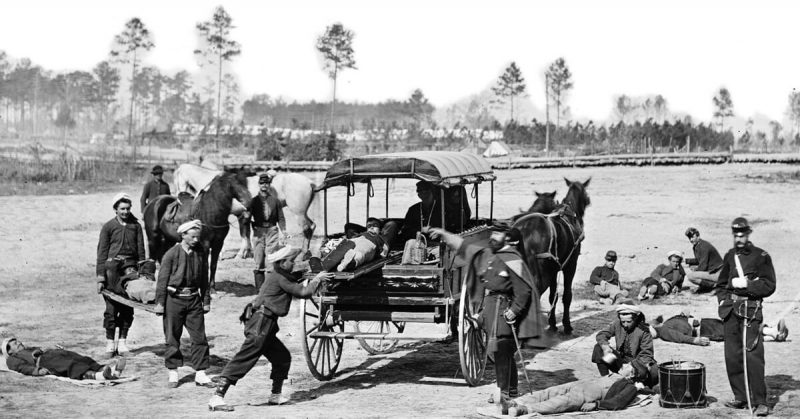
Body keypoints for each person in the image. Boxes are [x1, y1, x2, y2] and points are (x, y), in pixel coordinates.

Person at [430, 225, 543, 409]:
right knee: (503, 352)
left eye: (497, 234)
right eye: (493, 232)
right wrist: (444, 234)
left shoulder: (513, 259)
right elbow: (465, 247)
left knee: (500, 349)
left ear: (507, 238)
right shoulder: (491, 254)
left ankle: (503, 393)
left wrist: (514, 311)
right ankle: (511, 389)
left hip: (504, 308)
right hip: (491, 307)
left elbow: (524, 291)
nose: (493, 236)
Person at [208, 247, 334, 411]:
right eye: (291, 261)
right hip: (261, 323)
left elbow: (294, 276)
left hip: (265, 322)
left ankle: (275, 395)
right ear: (282, 263)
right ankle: (217, 397)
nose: (293, 264)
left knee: (282, 357)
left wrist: (310, 267)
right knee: (244, 359)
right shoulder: (279, 277)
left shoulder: (278, 274)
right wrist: (317, 279)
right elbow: (303, 292)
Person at [715, 217, 776, 416]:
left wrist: (747, 285)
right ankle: (740, 397)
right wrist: (723, 301)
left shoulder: (761, 256)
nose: (739, 238)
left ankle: (760, 402)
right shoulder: (730, 256)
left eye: (742, 235)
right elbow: (722, 284)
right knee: (732, 356)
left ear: (748, 234)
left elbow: (769, 285)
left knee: (753, 357)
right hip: (731, 311)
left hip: (750, 311)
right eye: (736, 235)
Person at [153, 220, 214, 389]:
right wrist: (160, 303)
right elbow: (162, 280)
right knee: (172, 337)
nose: (196, 240)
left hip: (194, 300)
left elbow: (204, 279)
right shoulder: (171, 254)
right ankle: (173, 372)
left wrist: (206, 300)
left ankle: (201, 374)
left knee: (199, 337)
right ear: (183, 235)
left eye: (198, 237)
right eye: (193, 237)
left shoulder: (200, 253)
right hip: (174, 300)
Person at [96, 192, 146, 357]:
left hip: (130, 269)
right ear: (115, 209)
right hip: (112, 270)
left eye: (128, 208)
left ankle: (123, 343)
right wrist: (100, 277)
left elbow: (141, 251)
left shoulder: (136, 226)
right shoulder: (108, 227)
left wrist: (143, 272)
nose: (125, 211)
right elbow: (102, 252)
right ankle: (110, 343)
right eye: (122, 209)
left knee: (127, 306)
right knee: (111, 308)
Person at [493, 364, 641, 416]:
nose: (625, 364)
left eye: (629, 365)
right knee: (548, 392)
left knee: (560, 402)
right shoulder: (614, 372)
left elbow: (619, 402)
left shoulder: (630, 386)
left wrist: (596, 405)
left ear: (632, 374)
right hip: (580, 384)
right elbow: (600, 355)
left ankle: (523, 409)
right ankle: (511, 403)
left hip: (588, 394)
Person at [592, 304, 658, 387]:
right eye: (623, 322)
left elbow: (646, 355)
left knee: (649, 373)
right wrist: (605, 348)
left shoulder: (644, 330)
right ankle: (605, 379)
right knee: (598, 348)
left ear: (635, 319)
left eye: (629, 322)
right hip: (620, 363)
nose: (625, 325)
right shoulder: (617, 324)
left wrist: (631, 366)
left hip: (638, 365)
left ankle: (633, 383)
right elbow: (601, 335)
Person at [2, 337, 126, 381]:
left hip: (51, 354)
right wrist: (37, 371)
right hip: (44, 362)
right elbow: (22, 368)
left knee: (80, 358)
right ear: (9, 351)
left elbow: (41, 349)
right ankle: (97, 376)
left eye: (17, 340)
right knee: (70, 364)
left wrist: (52, 349)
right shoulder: (12, 359)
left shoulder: (27, 349)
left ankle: (106, 370)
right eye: (14, 344)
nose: (18, 342)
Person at [651, 312, 787, 346]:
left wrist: (683, 315)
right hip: (704, 329)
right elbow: (679, 337)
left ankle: (772, 336)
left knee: (734, 330)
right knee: (735, 331)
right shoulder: (663, 331)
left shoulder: (665, 324)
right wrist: (695, 341)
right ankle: (772, 332)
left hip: (704, 324)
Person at [309, 218, 391, 272]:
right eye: (369, 226)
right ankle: (324, 264)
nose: (371, 227)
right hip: (355, 239)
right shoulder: (362, 233)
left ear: (380, 229)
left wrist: (383, 253)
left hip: (370, 243)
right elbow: (349, 226)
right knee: (342, 247)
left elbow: (391, 227)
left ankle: (349, 262)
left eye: (375, 225)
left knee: (360, 252)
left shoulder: (380, 238)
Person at [249, 172, 286, 289]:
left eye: (267, 183)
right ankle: (260, 291)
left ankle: (269, 289)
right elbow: (247, 217)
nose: (264, 185)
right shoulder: (253, 201)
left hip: (272, 231)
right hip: (258, 232)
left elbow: (281, 217)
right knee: (258, 260)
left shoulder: (275, 201)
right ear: (259, 185)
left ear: (269, 185)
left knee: (271, 261)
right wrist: (250, 225)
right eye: (262, 183)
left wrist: (284, 231)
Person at [684, 227, 724, 293]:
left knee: (691, 276)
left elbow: (703, 266)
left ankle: (713, 286)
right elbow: (699, 259)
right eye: (689, 238)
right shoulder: (698, 245)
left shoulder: (704, 247)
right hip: (714, 271)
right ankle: (707, 285)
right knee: (692, 267)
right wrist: (686, 261)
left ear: (698, 236)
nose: (691, 240)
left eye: (692, 237)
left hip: (719, 273)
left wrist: (696, 271)